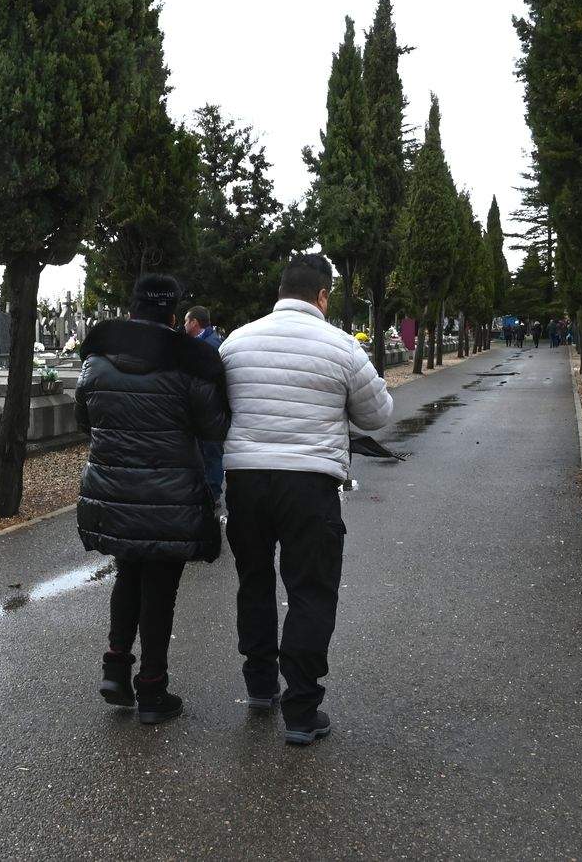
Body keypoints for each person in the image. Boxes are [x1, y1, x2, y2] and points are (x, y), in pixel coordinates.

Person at [219, 254, 393, 746]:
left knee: (254, 580)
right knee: (310, 589)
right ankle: (301, 706)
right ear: (323, 296)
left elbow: (221, 405)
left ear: (279, 291)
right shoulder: (340, 346)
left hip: (247, 479)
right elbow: (377, 414)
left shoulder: (237, 341)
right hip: (310, 483)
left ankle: (258, 683)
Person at [76, 273, 230, 725]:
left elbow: (84, 420)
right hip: (169, 494)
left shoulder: (97, 362)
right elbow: (214, 428)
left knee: (128, 572)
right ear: (172, 315)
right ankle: (153, 688)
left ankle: (115, 669)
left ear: (132, 310)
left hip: (113, 489)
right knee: (160, 587)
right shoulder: (189, 364)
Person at [183, 304, 225, 509]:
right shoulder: (202, 342)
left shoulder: (210, 345)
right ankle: (206, 490)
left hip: (209, 410)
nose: (183, 325)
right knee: (203, 452)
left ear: (194, 323)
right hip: (203, 409)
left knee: (211, 452)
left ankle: (213, 493)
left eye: (186, 321)